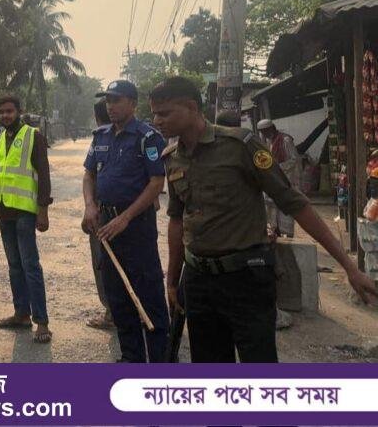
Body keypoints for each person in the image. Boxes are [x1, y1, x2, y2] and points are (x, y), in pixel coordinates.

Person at [150, 76, 378, 363]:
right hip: (198, 280)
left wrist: (349, 267)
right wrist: (172, 280)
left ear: (192, 107)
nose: (157, 121)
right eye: (154, 114)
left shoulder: (241, 146)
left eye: (164, 113)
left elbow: (295, 204)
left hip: (246, 278)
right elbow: (176, 220)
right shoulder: (172, 158)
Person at [82, 81, 170, 362]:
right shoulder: (101, 137)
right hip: (106, 223)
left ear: (133, 103)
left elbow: (156, 182)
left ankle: (160, 362)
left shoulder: (147, 137)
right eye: (108, 100)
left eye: (116, 100)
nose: (110, 106)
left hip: (136, 224)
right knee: (118, 295)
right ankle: (132, 358)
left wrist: (126, 217)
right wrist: (90, 206)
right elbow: (89, 175)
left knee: (148, 293)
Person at [0, 96, 53, 345]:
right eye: (1, 112)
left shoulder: (34, 136)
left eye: (9, 111)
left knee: (30, 265)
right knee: (14, 266)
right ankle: (21, 314)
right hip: (3, 212)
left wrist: (43, 211)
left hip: (25, 212)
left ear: (19, 111)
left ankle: (41, 321)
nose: (5, 116)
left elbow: (44, 175)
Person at [85, 98, 114, 331]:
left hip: (105, 215)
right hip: (126, 215)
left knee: (103, 263)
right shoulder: (138, 137)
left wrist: (90, 208)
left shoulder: (100, 139)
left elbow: (91, 177)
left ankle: (112, 312)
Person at [257, 119, 301, 238]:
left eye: (265, 131)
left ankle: (287, 235)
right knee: (271, 210)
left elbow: (294, 160)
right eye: (262, 132)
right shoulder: (266, 141)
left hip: (286, 180)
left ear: (271, 128)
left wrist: (277, 167)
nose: (264, 134)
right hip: (273, 181)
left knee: (285, 211)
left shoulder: (285, 140)